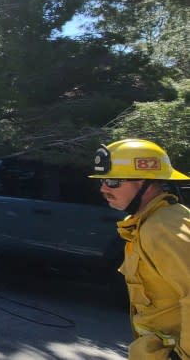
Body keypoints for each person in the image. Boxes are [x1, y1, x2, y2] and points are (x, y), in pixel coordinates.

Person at [90, 139, 190, 360]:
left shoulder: (162, 229)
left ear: (144, 181)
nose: (103, 188)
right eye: (103, 181)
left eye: (113, 181)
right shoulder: (151, 222)